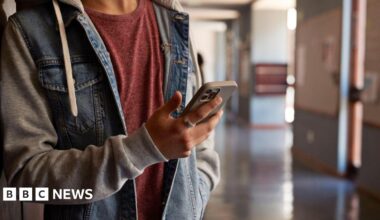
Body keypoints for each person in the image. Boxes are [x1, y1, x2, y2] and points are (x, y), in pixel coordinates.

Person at [0, 0, 222, 219]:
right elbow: (25, 178)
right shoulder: (30, 32)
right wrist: (141, 149)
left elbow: (200, 148)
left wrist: (196, 197)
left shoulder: (173, 20)